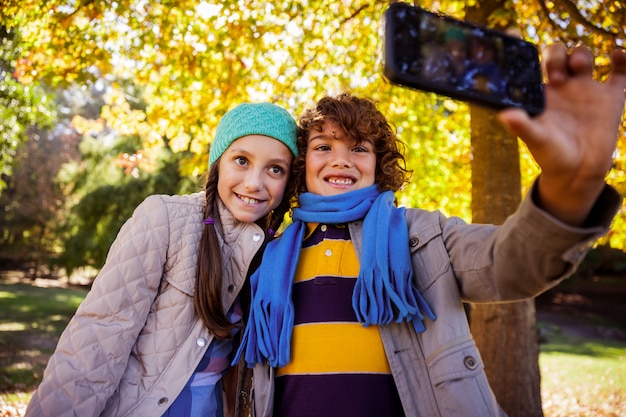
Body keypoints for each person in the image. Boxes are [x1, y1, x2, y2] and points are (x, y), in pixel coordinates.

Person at [234, 43, 626, 417]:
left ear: (378, 162)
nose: (342, 160)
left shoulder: (421, 235)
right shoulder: (269, 253)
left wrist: (567, 188)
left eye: (359, 148)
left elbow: (512, 265)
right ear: (302, 163)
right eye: (324, 147)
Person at [24, 102, 299, 417]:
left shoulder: (275, 256)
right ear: (218, 163)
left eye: (275, 169)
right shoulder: (165, 219)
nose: (254, 182)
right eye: (241, 160)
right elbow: (99, 336)